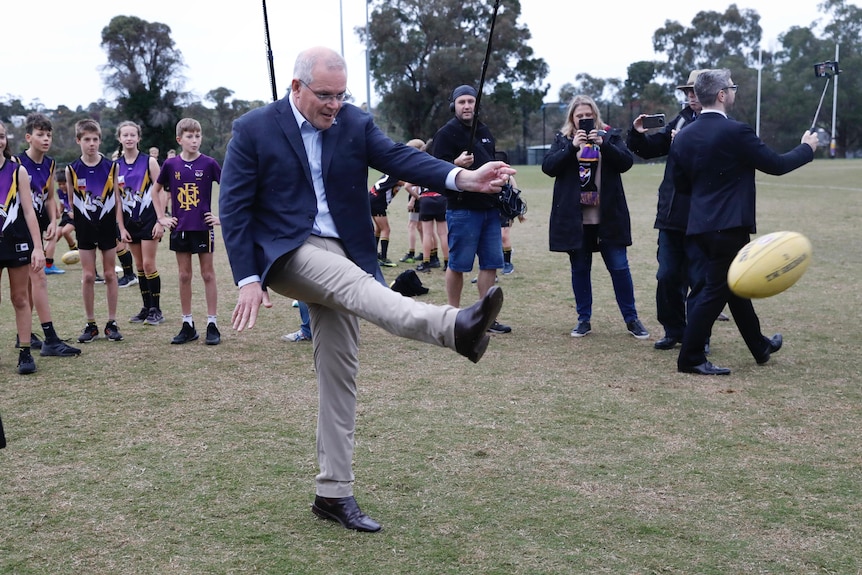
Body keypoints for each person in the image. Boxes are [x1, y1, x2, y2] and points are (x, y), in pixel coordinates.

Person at [219, 46, 513, 533]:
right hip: (288, 252)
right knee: (359, 288)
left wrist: (464, 177)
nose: (335, 105)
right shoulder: (254, 129)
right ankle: (452, 326)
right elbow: (232, 206)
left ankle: (332, 494)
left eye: (341, 95)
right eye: (325, 96)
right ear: (296, 88)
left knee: (341, 374)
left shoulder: (355, 123)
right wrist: (248, 279)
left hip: (345, 247)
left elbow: (401, 158)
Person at [671, 69, 818, 375]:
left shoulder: (684, 136)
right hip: (729, 225)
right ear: (722, 95)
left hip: (699, 225)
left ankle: (759, 346)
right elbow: (776, 165)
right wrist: (807, 148)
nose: (734, 92)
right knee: (717, 289)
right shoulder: (736, 132)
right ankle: (691, 357)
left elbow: (681, 185)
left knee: (734, 286)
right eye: (732, 88)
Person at [543, 94, 650, 340]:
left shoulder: (610, 136)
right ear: (572, 118)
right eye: (579, 116)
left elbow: (626, 163)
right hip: (576, 220)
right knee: (580, 269)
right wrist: (572, 147)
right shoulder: (563, 140)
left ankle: (632, 319)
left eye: (588, 116)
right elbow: (548, 167)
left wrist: (603, 144)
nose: (584, 120)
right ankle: (583, 319)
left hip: (608, 217)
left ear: (595, 116)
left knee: (620, 268)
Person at [627, 70, 706, 351]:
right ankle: (674, 330)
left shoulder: (720, 124)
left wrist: (685, 142)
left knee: (699, 279)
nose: (690, 96)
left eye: (695, 91)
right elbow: (649, 150)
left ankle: (698, 337)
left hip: (703, 215)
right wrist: (637, 134)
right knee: (667, 275)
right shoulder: (682, 119)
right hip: (671, 214)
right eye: (687, 91)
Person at [431, 85, 510, 334]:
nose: (467, 106)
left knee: (490, 264)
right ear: (453, 105)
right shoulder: (446, 133)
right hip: (463, 209)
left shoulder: (484, 131)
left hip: (490, 208)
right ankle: (453, 316)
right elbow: (433, 169)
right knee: (458, 264)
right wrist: (454, 164)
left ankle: (484, 317)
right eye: (461, 101)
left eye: (471, 101)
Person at [13, 114, 81, 357]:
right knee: (38, 279)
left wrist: (53, 221)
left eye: (49, 135)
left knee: (33, 283)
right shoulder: (16, 162)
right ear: (28, 137)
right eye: (40, 135)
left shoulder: (50, 164)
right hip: (16, 230)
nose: (46, 139)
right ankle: (50, 339)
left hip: (35, 228)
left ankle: (27, 334)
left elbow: (49, 197)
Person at [154, 118, 222, 345]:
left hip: (203, 228)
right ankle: (187, 324)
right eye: (190, 136)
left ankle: (212, 323)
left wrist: (221, 217)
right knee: (184, 275)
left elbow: (231, 189)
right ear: (179, 139)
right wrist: (161, 217)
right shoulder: (170, 165)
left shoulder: (210, 163)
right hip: (180, 228)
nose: (194, 140)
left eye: (198, 136)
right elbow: (155, 191)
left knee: (208, 274)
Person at [65, 119, 124, 343]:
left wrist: (120, 227)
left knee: (110, 274)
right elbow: (71, 201)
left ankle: (112, 322)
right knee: (88, 275)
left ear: (100, 140)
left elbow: (117, 199)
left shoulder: (112, 166)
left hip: (108, 226)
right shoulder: (72, 168)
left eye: (95, 139)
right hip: (85, 227)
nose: (92, 144)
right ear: (78, 140)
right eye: (87, 139)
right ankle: (90, 324)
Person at [1, 122, 47, 373]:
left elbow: (29, 212)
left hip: (17, 242)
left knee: (20, 298)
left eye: (1, 136)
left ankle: (26, 352)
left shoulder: (17, 171)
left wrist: (37, 248)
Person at [115, 121, 166, 326]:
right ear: (119, 138)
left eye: (132, 135)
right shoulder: (115, 165)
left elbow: (161, 191)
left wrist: (161, 221)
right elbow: (117, 199)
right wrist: (121, 227)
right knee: (138, 266)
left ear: (138, 138)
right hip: (129, 221)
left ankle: (156, 309)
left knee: (148, 263)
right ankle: (146, 308)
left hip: (149, 219)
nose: (128, 138)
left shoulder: (149, 162)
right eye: (125, 135)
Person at [369, 172, 403, 267]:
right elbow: (408, 183)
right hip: (378, 201)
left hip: (372, 198)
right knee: (386, 229)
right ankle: (383, 258)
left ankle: (374, 254)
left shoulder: (390, 172)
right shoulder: (396, 175)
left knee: (379, 229)